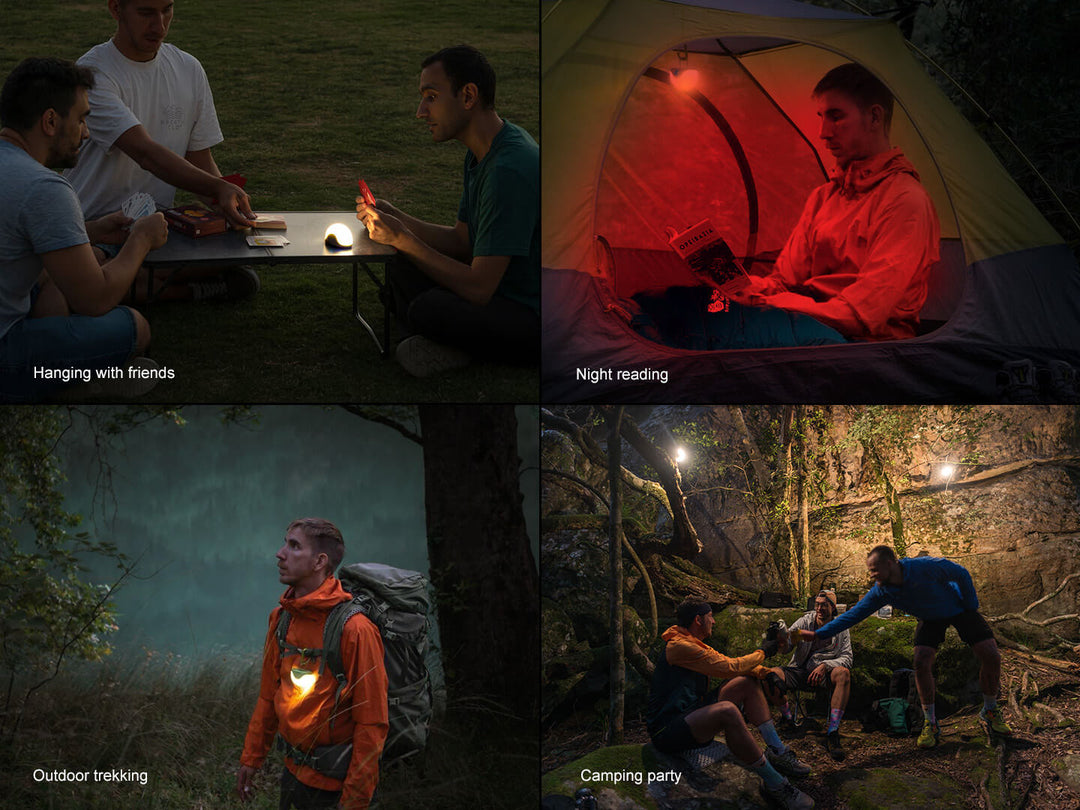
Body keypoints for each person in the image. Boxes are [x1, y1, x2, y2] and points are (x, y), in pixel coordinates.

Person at [709, 62, 940, 346]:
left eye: (836, 117)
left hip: (864, 345)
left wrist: (782, 304)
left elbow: (861, 316)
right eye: (821, 117)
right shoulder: (824, 197)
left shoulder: (905, 201)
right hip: (802, 324)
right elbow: (783, 281)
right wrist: (745, 287)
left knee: (717, 339)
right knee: (683, 306)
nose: (823, 132)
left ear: (875, 117)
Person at [355, 45, 539, 377]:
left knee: (429, 308)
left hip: (531, 314)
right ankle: (444, 340)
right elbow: (461, 241)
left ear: (468, 96)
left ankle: (452, 346)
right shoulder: (482, 154)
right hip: (495, 290)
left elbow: (480, 288)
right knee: (396, 259)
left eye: (431, 97)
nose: (420, 111)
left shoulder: (509, 168)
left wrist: (405, 239)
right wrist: (398, 219)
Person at [64, 0, 259, 302]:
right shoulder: (93, 74)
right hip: (98, 226)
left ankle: (145, 282)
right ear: (116, 9)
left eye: (167, 9)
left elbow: (198, 157)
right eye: (146, 13)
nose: (159, 24)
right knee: (85, 271)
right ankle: (190, 290)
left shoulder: (188, 68)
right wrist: (217, 186)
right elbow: (145, 154)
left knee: (239, 248)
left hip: (158, 228)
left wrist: (227, 208)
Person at [0, 56, 168, 402]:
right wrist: (141, 239)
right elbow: (95, 299)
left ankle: (59, 367)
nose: (87, 133)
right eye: (81, 119)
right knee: (135, 327)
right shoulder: (44, 187)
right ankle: (72, 385)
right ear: (50, 121)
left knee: (78, 260)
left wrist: (89, 230)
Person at [795, 546, 1011, 750]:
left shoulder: (923, 567)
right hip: (929, 618)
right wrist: (817, 634)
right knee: (920, 662)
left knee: (991, 655)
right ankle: (930, 722)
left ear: (890, 563)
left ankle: (990, 709)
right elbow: (853, 615)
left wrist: (970, 605)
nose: (872, 576)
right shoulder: (882, 591)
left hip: (958, 608)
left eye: (875, 570)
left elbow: (960, 573)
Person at [238, 519, 389, 810]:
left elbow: (372, 724)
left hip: (335, 788)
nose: (280, 554)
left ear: (320, 561)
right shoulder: (281, 619)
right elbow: (269, 696)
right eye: (285, 543)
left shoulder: (355, 630)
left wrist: (355, 801)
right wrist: (251, 758)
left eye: (294, 546)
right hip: (292, 775)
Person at [647, 599, 814, 810]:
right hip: (667, 729)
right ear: (698, 620)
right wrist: (764, 651)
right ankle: (776, 784)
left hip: (690, 714)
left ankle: (778, 752)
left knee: (746, 683)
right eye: (710, 617)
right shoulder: (679, 646)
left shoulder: (691, 641)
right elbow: (728, 667)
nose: (714, 621)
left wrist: (766, 673)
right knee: (728, 711)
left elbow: (727, 662)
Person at [765, 590, 852, 761]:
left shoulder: (841, 627)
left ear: (833, 608)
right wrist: (780, 639)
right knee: (772, 674)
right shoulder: (805, 622)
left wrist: (826, 666)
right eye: (817, 604)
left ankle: (833, 731)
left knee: (844, 674)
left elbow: (847, 657)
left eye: (824, 605)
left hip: (824, 672)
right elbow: (787, 645)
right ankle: (788, 719)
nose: (819, 608)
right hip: (799, 670)